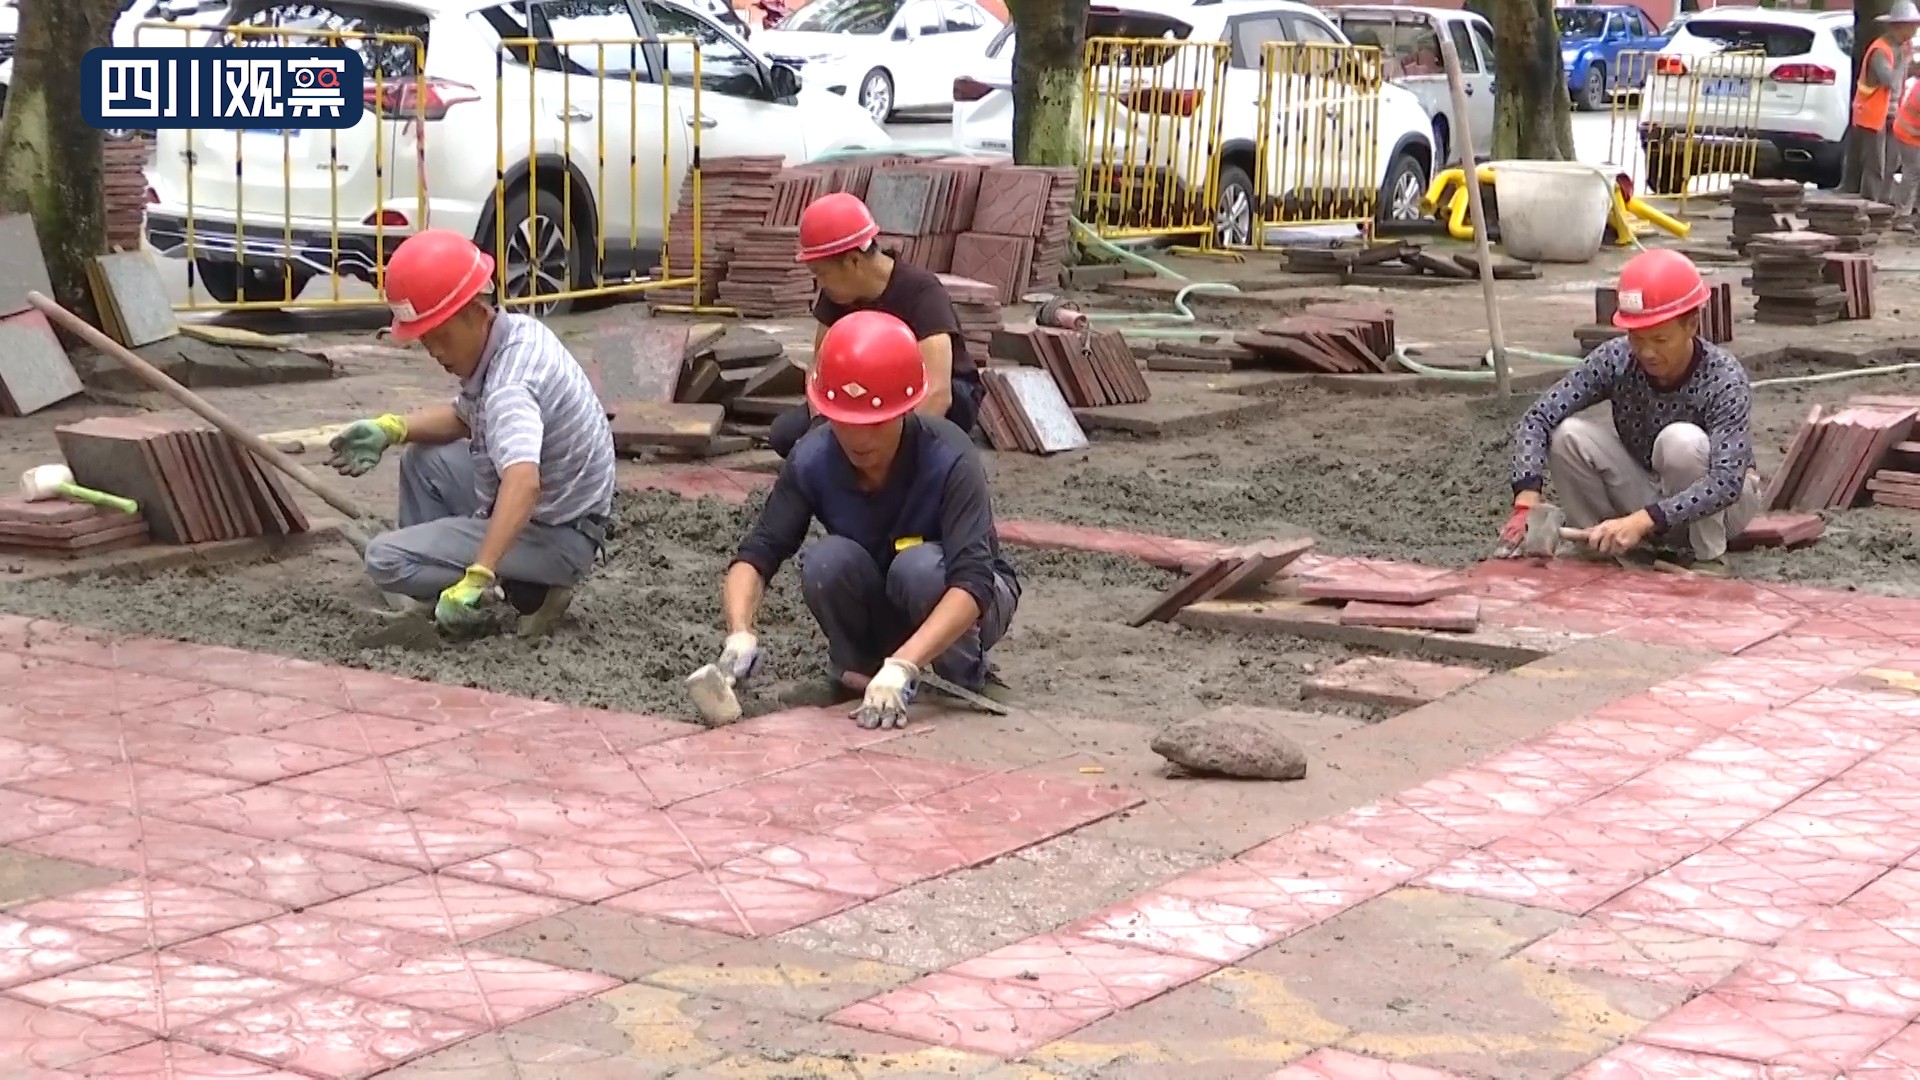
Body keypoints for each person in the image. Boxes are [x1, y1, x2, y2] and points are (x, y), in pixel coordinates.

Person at [710, 310, 1019, 730]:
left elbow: (973, 582)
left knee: (919, 569)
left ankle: (962, 676)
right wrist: (739, 632)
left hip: (965, 600)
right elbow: (757, 554)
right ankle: (858, 671)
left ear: (905, 409)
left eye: (875, 423)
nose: (859, 438)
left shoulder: (950, 456)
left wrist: (905, 665)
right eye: (846, 422)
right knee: (826, 561)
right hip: (883, 593)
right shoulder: (813, 458)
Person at [325, 230, 616, 636]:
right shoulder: (516, 333)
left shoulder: (510, 387)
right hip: (568, 512)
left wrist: (480, 573)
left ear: (476, 312)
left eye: (441, 336)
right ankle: (451, 590)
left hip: (556, 533)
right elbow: (465, 417)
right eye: (425, 340)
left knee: (385, 559)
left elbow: (523, 482)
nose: (435, 352)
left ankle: (494, 592)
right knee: (424, 458)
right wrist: (392, 429)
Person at [1500, 248, 1760, 573]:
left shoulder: (1723, 376)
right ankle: (1601, 545)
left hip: (1724, 510)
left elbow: (1726, 482)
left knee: (1681, 441)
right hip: (1651, 497)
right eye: (1637, 338)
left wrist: (1642, 520)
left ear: (1691, 325)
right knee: (1568, 436)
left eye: (1660, 339)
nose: (1647, 352)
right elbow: (1539, 416)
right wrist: (1526, 497)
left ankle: (1708, 557)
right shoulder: (1616, 359)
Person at [767, 192, 981, 459]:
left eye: (822, 273)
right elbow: (819, 371)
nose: (820, 283)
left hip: (932, 394)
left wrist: (887, 454)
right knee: (787, 435)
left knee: (923, 447)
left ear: (854, 261)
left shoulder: (921, 291)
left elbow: (938, 393)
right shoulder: (837, 295)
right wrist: (820, 427)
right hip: (868, 392)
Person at [1852, 0, 1920, 204]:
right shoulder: (1881, 50)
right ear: (1900, 26)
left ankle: (1883, 204)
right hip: (1873, 114)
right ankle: (1869, 205)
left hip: (1892, 113)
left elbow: (1906, 74)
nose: (1915, 30)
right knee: (1876, 165)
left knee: (1892, 163)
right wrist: (1906, 63)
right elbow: (1889, 80)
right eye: (1913, 26)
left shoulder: (1903, 47)